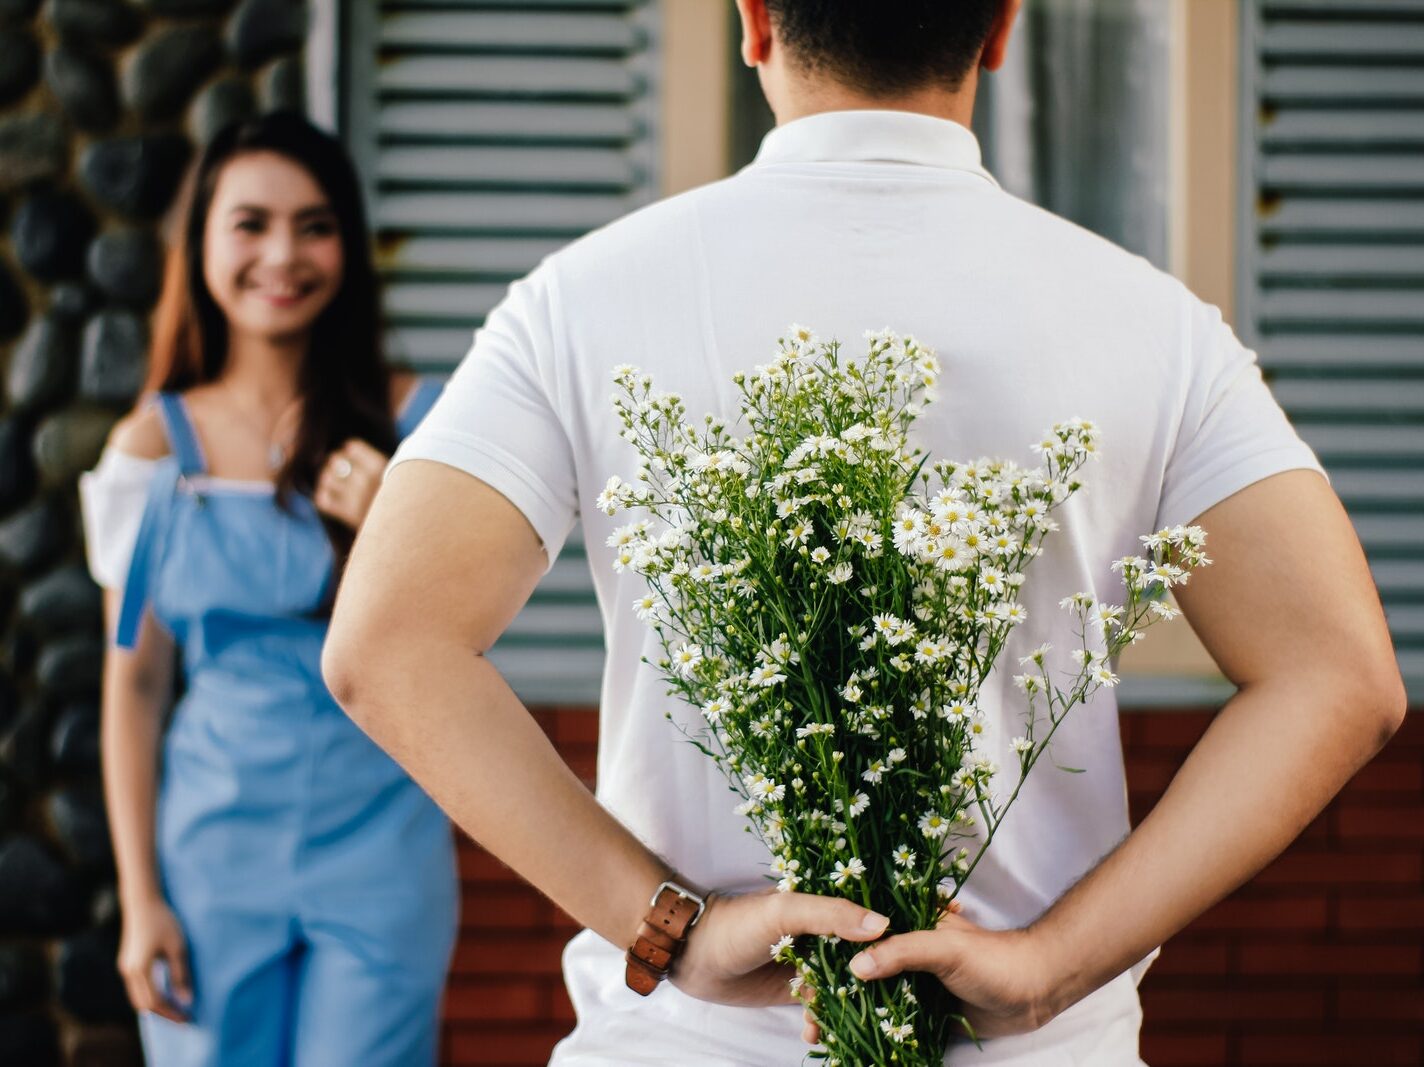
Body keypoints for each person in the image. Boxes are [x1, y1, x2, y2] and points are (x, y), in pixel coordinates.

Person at [322, 2, 1406, 1064]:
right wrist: (1050, 962)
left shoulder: (581, 299)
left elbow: (386, 645)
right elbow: (1341, 676)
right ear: (998, 29)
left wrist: (671, 928)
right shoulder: (1155, 323)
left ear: (752, 22)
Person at [80, 112, 457, 1066]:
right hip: (209, 855)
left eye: (315, 224)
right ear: (201, 240)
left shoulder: (421, 425)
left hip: (385, 848)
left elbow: (468, 648)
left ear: (349, 246)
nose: (282, 253)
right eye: (250, 223)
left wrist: (392, 535)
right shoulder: (153, 448)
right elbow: (133, 685)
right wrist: (141, 899)